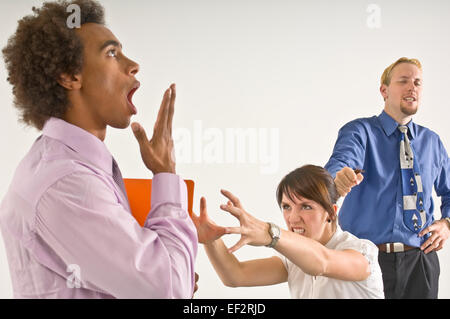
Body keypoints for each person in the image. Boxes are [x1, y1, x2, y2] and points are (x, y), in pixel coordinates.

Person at [0, 0, 197, 298]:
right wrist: (165, 175)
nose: (133, 65)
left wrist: (175, 253)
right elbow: (167, 291)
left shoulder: (64, 164)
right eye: (111, 53)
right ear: (69, 76)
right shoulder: (67, 183)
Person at [324, 57, 450, 299]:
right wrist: (336, 179)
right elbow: (340, 163)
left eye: (417, 82)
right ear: (384, 90)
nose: (412, 87)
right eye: (403, 81)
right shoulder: (359, 132)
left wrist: (446, 224)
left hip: (421, 262)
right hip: (366, 260)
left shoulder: (432, 142)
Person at [192, 165, 384, 298]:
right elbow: (235, 275)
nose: (292, 218)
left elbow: (322, 262)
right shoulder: (292, 261)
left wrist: (270, 233)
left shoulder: (362, 252)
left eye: (306, 207)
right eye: (286, 206)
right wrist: (210, 240)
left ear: (331, 213)